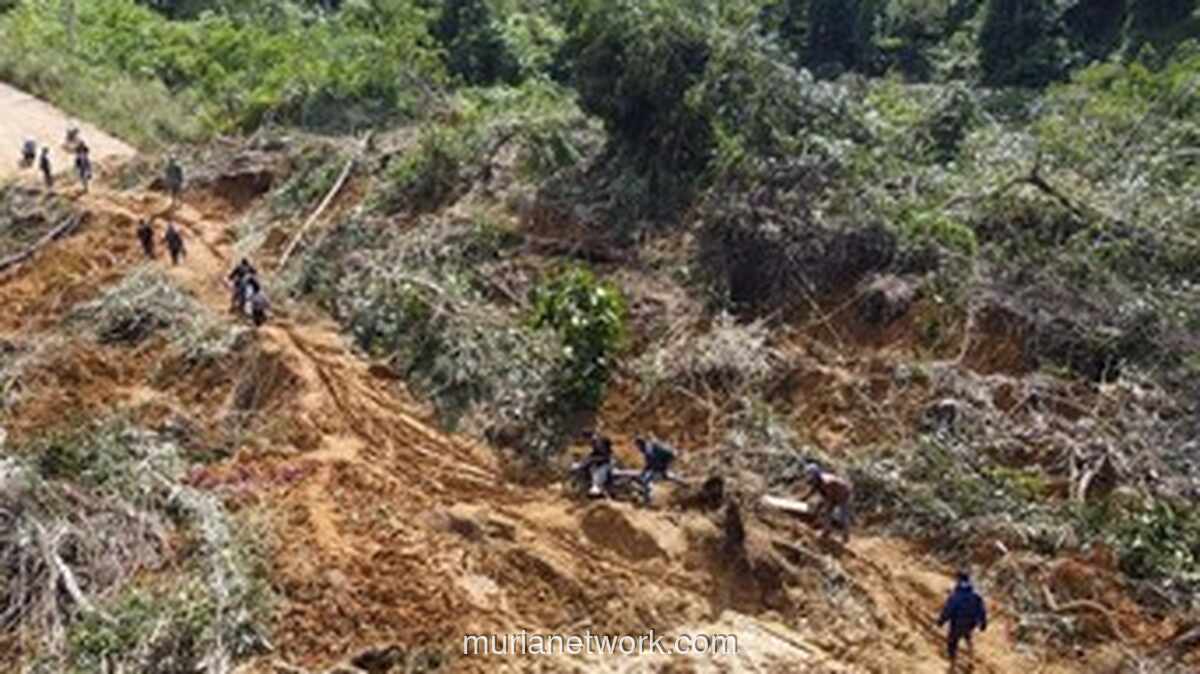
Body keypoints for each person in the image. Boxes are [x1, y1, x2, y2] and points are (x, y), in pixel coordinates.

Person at [937, 570, 988, 672]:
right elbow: (981, 609)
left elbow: (949, 609)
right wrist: (983, 623)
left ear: (959, 580)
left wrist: (941, 620)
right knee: (968, 637)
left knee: (952, 643)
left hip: (957, 622)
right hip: (970, 623)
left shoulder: (956, 595)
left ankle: (953, 666)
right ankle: (971, 661)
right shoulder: (975, 595)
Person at [800, 463, 853, 542]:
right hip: (833, 493)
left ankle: (845, 536)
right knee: (827, 512)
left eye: (810, 475)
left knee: (842, 515)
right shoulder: (817, 481)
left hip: (843, 494)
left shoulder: (826, 482)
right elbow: (812, 491)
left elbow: (829, 497)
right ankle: (827, 531)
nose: (809, 478)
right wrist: (803, 499)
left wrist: (822, 505)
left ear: (816, 475)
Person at [634, 437, 681, 505]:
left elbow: (652, 462)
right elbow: (651, 462)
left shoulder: (648, 449)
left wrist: (645, 471)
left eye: (637, 446)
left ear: (640, 444)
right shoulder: (649, 445)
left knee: (646, 480)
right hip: (667, 457)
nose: (637, 448)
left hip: (666, 458)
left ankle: (647, 500)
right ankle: (681, 481)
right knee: (663, 474)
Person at [575, 432, 616, 498]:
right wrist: (588, 458)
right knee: (592, 468)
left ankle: (597, 488)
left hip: (606, 463)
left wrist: (592, 459)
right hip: (604, 461)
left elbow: (604, 456)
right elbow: (595, 453)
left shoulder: (598, 443)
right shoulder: (595, 442)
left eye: (585, 439)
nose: (585, 441)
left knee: (597, 473)